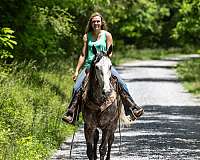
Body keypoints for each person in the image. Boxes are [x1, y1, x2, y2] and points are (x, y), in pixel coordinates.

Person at [62, 12, 144, 124]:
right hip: (89, 67)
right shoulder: (87, 36)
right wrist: (76, 71)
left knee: (121, 83)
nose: (96, 23)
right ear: (91, 23)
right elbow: (82, 55)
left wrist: (102, 55)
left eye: (98, 21)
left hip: (104, 64)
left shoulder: (107, 35)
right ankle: (71, 114)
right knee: (76, 88)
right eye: (94, 21)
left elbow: (110, 53)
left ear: (101, 23)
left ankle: (132, 108)